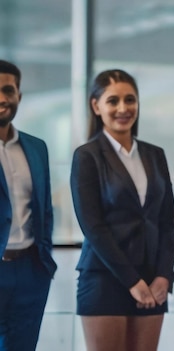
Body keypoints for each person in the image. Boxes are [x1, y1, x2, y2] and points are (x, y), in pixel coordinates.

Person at [70, 69, 174, 351]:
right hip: (105, 278)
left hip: (153, 279)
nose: (123, 108)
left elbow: (167, 222)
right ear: (96, 106)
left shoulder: (155, 155)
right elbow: (93, 227)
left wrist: (164, 276)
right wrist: (132, 282)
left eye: (130, 100)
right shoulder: (87, 156)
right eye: (113, 101)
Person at [0, 60, 57, 351]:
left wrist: (44, 263)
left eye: (8, 90)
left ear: (19, 96)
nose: (2, 98)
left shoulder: (37, 148)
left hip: (30, 270)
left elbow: (45, 208)